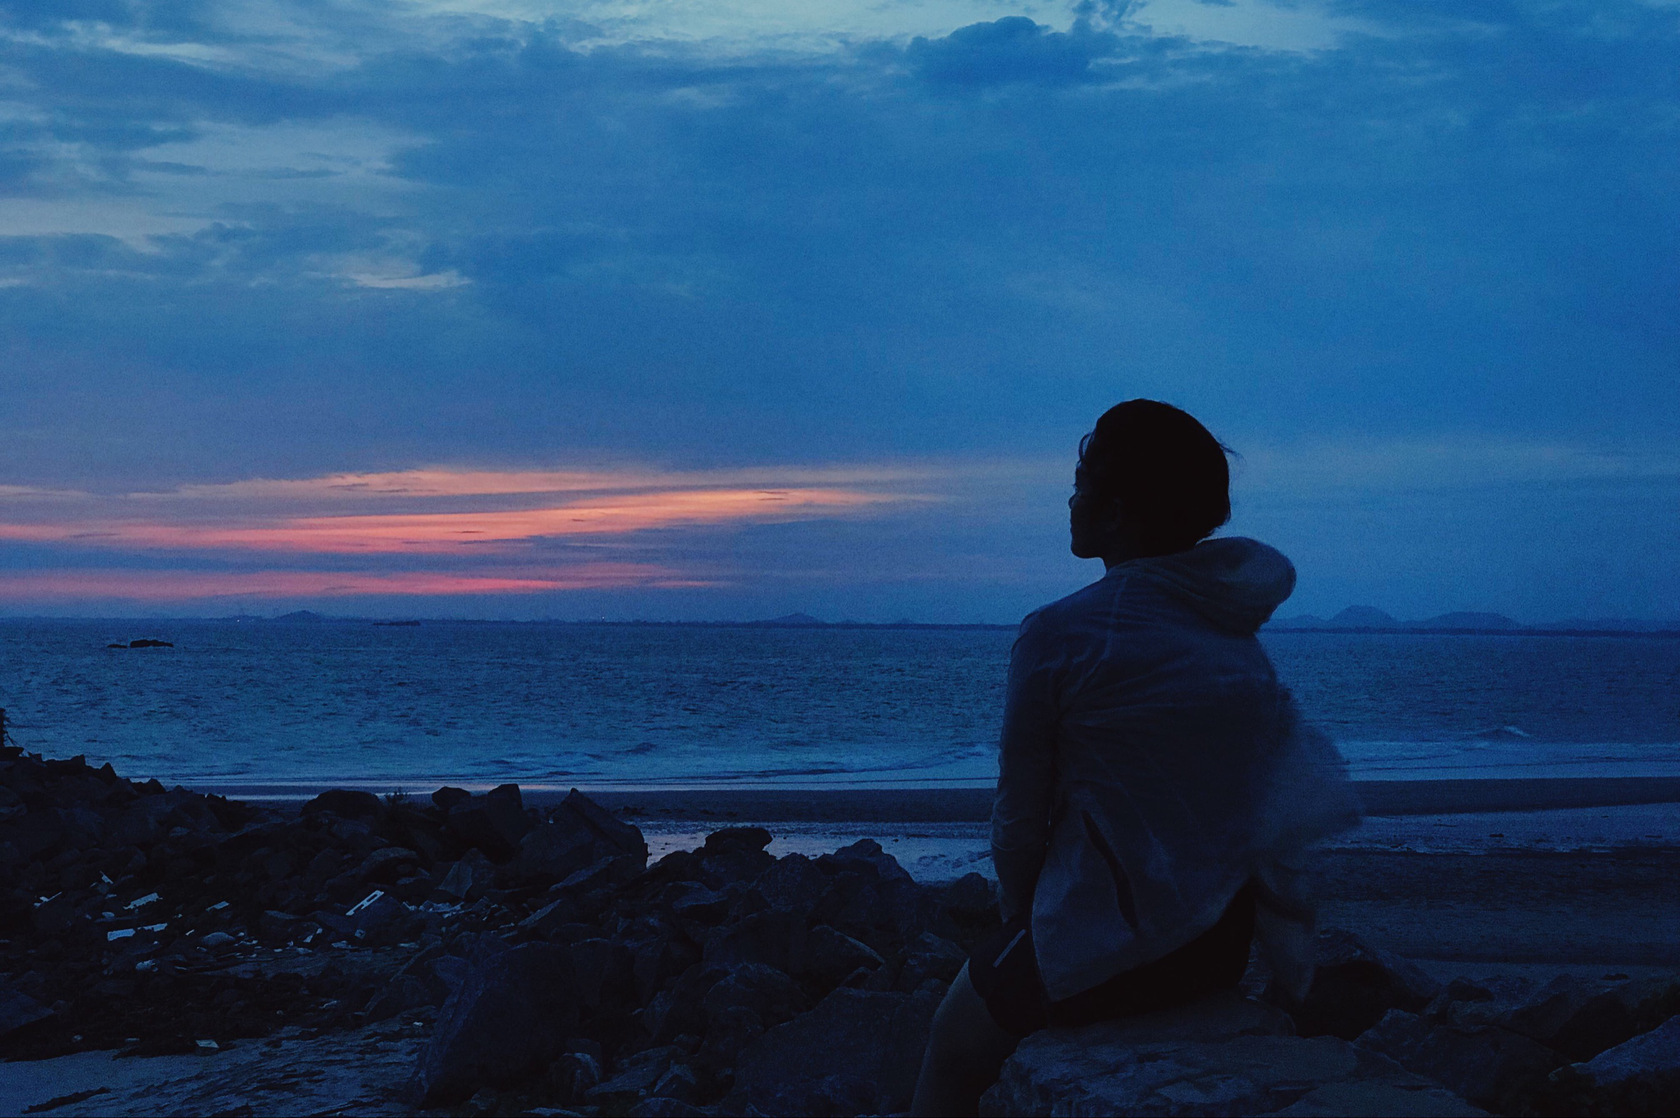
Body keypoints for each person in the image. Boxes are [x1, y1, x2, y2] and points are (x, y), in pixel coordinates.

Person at [910, 400, 1358, 1116]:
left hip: (1103, 949)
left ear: (1115, 512)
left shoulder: (1059, 634)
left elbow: (1020, 821)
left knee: (949, 1046)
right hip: (1217, 944)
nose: (1070, 497)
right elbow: (1262, 809)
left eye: (1081, 481)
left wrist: (1021, 924)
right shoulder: (1234, 643)